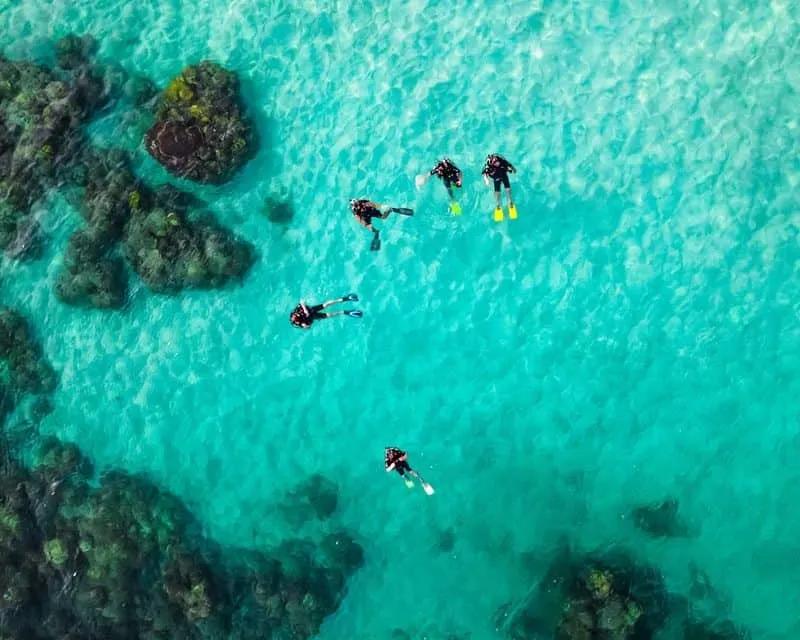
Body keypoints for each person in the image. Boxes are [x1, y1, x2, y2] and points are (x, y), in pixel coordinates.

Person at [289, 294, 362, 329]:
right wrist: (306, 326)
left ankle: (345, 298)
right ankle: (345, 312)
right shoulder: (299, 323)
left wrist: (305, 309)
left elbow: (301, 301)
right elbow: (308, 327)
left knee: (326, 304)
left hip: (310, 310)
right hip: (312, 317)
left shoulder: (296, 311)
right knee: (329, 315)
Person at [482, 153, 517, 221]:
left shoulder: (501, 161)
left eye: (497, 160)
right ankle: (498, 207)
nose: (497, 162)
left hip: (503, 175)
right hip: (496, 178)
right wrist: (486, 180)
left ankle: (510, 204)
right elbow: (484, 174)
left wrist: (513, 169)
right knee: (497, 193)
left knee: (508, 191)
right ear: (491, 163)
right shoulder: (488, 167)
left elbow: (509, 164)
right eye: (495, 162)